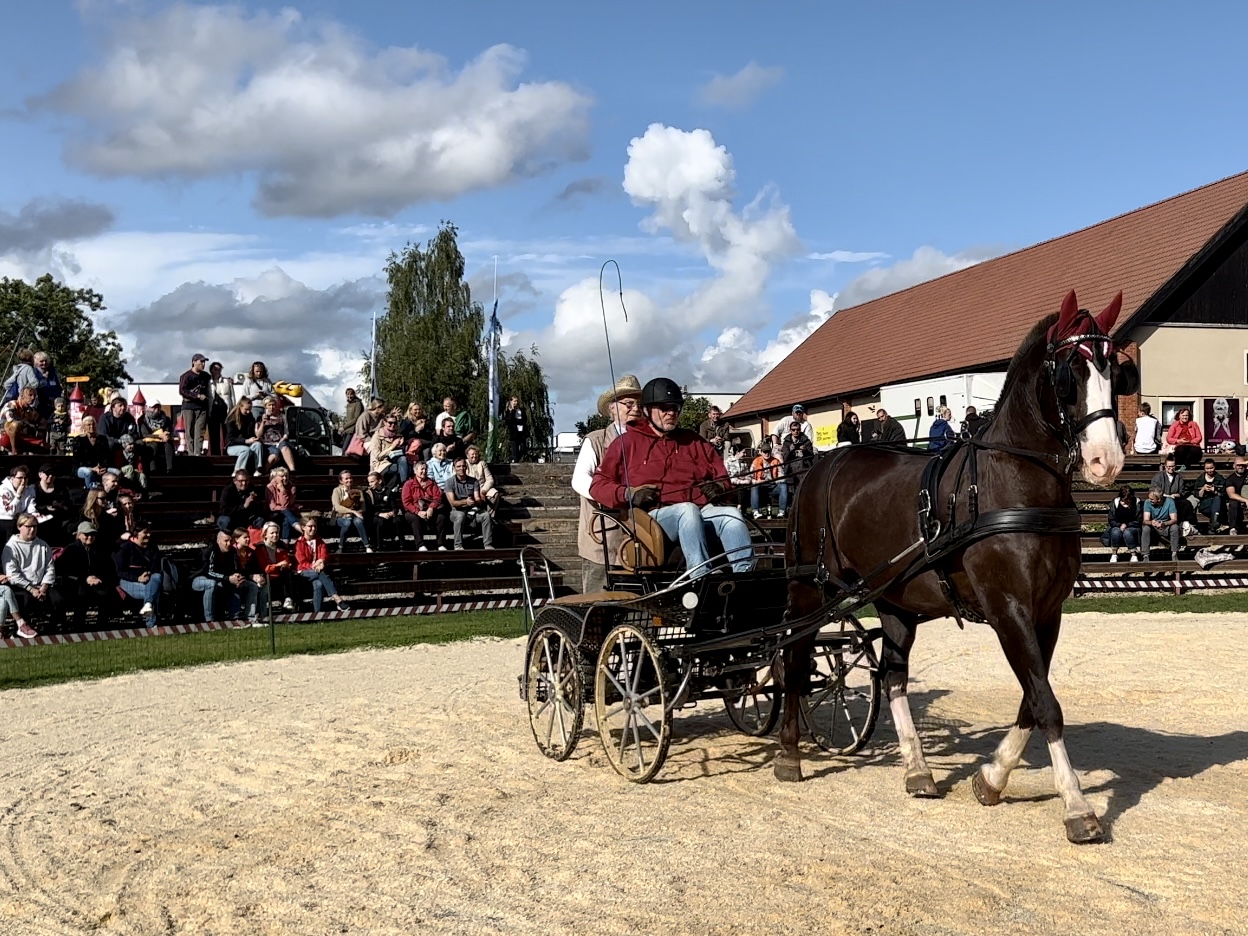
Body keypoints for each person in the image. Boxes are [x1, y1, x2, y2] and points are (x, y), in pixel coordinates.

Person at [590, 377, 753, 579]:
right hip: (653, 520)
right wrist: (629, 494)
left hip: (701, 512)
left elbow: (723, 478)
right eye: (665, 408)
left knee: (733, 517)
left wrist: (719, 487)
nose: (671, 413)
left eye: (676, 408)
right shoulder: (626, 443)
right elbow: (598, 485)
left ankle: (745, 580)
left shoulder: (694, 442)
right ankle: (700, 577)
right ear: (648, 410)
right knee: (688, 510)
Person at [572, 375, 642, 593]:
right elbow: (580, 480)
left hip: (641, 540)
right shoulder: (595, 440)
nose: (635, 409)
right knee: (597, 608)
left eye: (639, 405)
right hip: (602, 540)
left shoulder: (649, 442)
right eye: (629, 404)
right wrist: (616, 494)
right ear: (612, 408)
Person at [3, 512, 62, 631]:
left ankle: (52, 629)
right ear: (20, 527)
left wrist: (44, 587)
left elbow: (50, 568)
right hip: (22, 587)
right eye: (28, 527)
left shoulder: (43, 545)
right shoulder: (11, 547)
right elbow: (12, 575)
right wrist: (31, 589)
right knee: (25, 601)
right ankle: (21, 630)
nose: (32, 530)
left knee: (59, 599)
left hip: (41, 586)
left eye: (34, 526)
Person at [55, 521, 118, 631]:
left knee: (107, 592)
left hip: (96, 582)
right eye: (86, 534)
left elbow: (108, 568)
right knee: (82, 593)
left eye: (92, 534)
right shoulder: (71, 549)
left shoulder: (99, 550)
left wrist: (98, 578)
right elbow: (64, 571)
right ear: (79, 535)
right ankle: (78, 625)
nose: (90, 537)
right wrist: (84, 579)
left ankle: (102, 624)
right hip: (75, 584)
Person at [192, 529, 250, 623]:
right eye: (226, 541)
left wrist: (237, 576)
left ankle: (235, 618)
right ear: (218, 541)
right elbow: (208, 572)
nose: (229, 544)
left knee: (239, 583)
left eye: (230, 541)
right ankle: (210, 620)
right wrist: (227, 578)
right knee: (211, 583)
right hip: (198, 578)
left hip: (219, 578)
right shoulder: (210, 552)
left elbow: (235, 569)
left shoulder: (233, 552)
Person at [294, 517, 349, 612]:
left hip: (318, 571)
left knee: (318, 584)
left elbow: (324, 554)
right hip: (303, 572)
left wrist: (322, 561)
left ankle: (317, 614)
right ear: (303, 527)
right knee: (320, 573)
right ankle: (338, 600)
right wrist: (315, 566)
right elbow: (302, 562)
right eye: (310, 526)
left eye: (315, 526)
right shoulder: (299, 543)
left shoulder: (319, 540)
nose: (313, 529)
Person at [114, 524, 162, 627]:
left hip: (149, 580)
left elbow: (155, 566)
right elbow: (120, 571)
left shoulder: (153, 547)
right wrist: (137, 578)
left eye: (149, 532)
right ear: (136, 534)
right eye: (145, 532)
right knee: (151, 592)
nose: (148, 535)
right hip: (128, 580)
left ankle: (149, 610)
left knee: (156, 577)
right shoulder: (125, 548)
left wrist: (148, 574)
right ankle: (152, 624)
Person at [444, 457, 494, 550]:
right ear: (454, 468)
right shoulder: (449, 482)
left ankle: (488, 545)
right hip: (456, 511)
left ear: (466, 467)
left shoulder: (474, 481)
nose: (461, 468)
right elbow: (452, 503)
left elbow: (478, 499)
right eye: (458, 466)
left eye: (463, 466)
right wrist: (465, 502)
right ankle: (458, 545)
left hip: (472, 510)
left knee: (486, 515)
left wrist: (475, 501)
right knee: (460, 515)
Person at [402, 460, 448, 551]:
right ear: (415, 471)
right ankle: (420, 545)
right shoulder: (408, 484)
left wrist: (431, 508)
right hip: (414, 510)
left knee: (441, 517)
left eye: (426, 469)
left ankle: (440, 544)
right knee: (414, 519)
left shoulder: (432, 483)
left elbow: (437, 498)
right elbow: (406, 502)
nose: (424, 471)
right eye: (422, 469)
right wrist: (418, 512)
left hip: (430, 509)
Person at [255, 521, 295, 612]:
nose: (275, 535)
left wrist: (285, 565)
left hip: (279, 576)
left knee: (288, 574)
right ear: (265, 534)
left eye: (276, 533)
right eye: (272, 533)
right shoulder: (260, 548)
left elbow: (286, 561)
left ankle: (288, 601)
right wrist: (277, 566)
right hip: (266, 576)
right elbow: (264, 567)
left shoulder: (282, 546)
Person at [178, 353, 212, 455]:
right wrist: (197, 396)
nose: (203, 364)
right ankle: (191, 454)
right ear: (194, 362)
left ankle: (198, 454)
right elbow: (182, 391)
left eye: (204, 362)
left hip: (202, 408)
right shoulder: (186, 376)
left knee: (200, 432)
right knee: (190, 432)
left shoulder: (206, 376)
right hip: (189, 408)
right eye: (201, 361)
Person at [253, 397, 298, 473]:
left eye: (273, 405)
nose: (271, 407)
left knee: (284, 447)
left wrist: (281, 440)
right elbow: (258, 435)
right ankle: (264, 471)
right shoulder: (260, 418)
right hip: (266, 443)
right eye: (269, 405)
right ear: (266, 406)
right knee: (275, 455)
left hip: (280, 440)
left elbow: (286, 432)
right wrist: (263, 423)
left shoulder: (282, 417)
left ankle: (292, 470)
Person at [331, 469, 371, 553]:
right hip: (341, 516)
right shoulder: (337, 491)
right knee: (347, 523)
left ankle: (367, 546)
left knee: (359, 522)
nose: (349, 480)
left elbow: (363, 507)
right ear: (341, 481)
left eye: (350, 478)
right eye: (346, 479)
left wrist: (356, 513)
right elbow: (337, 507)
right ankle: (340, 547)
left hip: (356, 516)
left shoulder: (358, 491)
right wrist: (353, 512)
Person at [33, 463, 73, 547]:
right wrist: (45, 508)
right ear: (40, 474)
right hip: (40, 521)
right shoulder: (34, 488)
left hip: (58, 520)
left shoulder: (61, 489)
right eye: (47, 473)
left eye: (53, 474)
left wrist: (60, 506)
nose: (50, 476)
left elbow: (69, 506)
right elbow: (31, 505)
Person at [1100, 485, 1143, 562]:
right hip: (1117, 526)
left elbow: (1139, 520)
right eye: (1124, 499)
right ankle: (1114, 554)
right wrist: (1119, 525)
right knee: (1115, 531)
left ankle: (1133, 555)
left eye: (1129, 499)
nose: (1127, 501)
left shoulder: (1137, 503)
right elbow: (1111, 519)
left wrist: (1128, 525)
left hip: (1133, 527)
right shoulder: (1115, 503)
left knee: (1128, 532)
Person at [233, 527, 267, 625]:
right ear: (236, 539)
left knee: (263, 585)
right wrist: (250, 576)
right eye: (245, 537)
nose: (248, 539)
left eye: (248, 537)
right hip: (234, 579)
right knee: (252, 587)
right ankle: (250, 617)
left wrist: (257, 576)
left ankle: (262, 616)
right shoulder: (232, 552)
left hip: (246, 578)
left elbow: (254, 569)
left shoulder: (251, 552)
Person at [364, 470, 403, 551]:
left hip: (389, 513)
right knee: (379, 521)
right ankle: (379, 545)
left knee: (398, 520)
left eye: (372, 481)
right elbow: (369, 509)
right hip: (376, 515)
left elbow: (395, 506)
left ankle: (401, 544)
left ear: (379, 481)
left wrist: (392, 512)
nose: (370, 484)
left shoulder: (388, 492)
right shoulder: (369, 493)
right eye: (369, 482)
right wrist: (380, 514)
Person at [0, 386, 46, 454]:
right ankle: (14, 452)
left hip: (21, 438)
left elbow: (43, 422)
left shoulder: (30, 411)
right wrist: (29, 425)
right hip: (5, 437)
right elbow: (11, 420)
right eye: (30, 395)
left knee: (43, 446)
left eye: (34, 395)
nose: (33, 398)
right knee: (14, 425)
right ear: (22, 396)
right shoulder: (11, 405)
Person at [1140, 486, 1180, 562]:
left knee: (1175, 527)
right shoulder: (1147, 502)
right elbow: (1145, 520)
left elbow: (1174, 519)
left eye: (1152, 499)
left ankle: (1174, 553)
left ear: (1159, 499)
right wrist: (1152, 522)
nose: (1150, 500)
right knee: (1145, 528)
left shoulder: (1170, 502)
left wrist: (1165, 523)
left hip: (1166, 525)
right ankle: (1145, 555)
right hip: (1153, 527)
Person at [369, 411, 410, 485]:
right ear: (385, 422)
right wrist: (392, 447)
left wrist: (401, 443)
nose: (393, 425)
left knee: (405, 462)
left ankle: (404, 485)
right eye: (390, 423)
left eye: (395, 423)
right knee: (401, 468)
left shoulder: (398, 434)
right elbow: (377, 456)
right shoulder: (377, 436)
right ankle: (404, 486)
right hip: (381, 464)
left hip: (396, 461)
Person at [73, 415, 113, 490]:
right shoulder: (78, 440)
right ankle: (92, 492)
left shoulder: (102, 439)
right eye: (88, 425)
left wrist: (104, 467)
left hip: (100, 467)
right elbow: (78, 459)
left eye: (93, 424)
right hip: (82, 468)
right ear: (84, 426)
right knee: (88, 472)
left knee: (116, 472)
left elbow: (107, 456)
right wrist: (92, 468)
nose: (91, 427)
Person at [749, 440, 786, 518]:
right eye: (764, 452)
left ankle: (781, 512)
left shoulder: (776, 461)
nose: (766, 454)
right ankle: (755, 511)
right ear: (761, 452)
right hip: (760, 487)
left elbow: (782, 477)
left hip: (773, 486)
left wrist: (775, 481)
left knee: (783, 486)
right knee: (754, 486)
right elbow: (750, 477)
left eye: (768, 451)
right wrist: (757, 481)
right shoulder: (756, 462)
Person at [0, 465, 36, 542]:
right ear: (12, 478)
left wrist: (34, 513)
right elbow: (10, 512)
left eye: (25, 478)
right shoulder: (3, 490)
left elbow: (30, 504)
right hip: (5, 520)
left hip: (20, 518)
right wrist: (18, 495)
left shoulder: (28, 489)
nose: (23, 481)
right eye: (20, 478)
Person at [138, 400, 175, 475]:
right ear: (148, 408)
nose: (156, 410)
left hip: (162, 440)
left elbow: (168, 430)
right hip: (149, 440)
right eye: (153, 408)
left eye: (158, 407)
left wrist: (166, 434)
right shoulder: (142, 420)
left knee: (169, 444)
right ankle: (152, 470)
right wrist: (158, 436)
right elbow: (145, 434)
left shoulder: (166, 419)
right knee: (153, 445)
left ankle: (170, 469)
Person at [265, 466, 302, 540]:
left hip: (289, 512)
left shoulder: (292, 487)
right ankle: (297, 526)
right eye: (282, 476)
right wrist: (282, 490)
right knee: (286, 512)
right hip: (274, 513)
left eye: (286, 476)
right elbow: (272, 507)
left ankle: (285, 544)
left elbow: (287, 504)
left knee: (286, 519)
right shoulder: (270, 487)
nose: (285, 478)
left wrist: (282, 490)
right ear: (275, 477)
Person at [1190, 457, 1225, 534]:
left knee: (1217, 498)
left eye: (1211, 468)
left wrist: (1215, 491)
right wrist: (1203, 489)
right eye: (1207, 468)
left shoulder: (1220, 478)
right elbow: (1197, 494)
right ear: (1204, 468)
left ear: (1214, 467)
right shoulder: (1200, 479)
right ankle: (1213, 525)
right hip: (1206, 505)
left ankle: (1212, 526)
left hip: (1218, 506)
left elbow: (1224, 494)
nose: (1209, 470)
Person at [207, 361, 235, 456]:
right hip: (213, 410)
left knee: (227, 432)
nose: (218, 371)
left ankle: (227, 452)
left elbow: (232, 397)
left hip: (225, 410)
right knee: (214, 433)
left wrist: (233, 410)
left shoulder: (227, 381)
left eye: (219, 369)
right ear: (211, 370)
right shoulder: (208, 382)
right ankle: (215, 454)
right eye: (215, 369)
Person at [224, 396, 259, 473]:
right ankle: (238, 471)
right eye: (246, 409)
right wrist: (245, 441)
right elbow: (230, 439)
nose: (248, 412)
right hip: (232, 446)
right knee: (245, 450)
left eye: (250, 409)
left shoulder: (250, 418)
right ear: (240, 407)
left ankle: (258, 469)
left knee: (257, 445)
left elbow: (251, 434)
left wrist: (255, 438)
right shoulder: (231, 419)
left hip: (247, 444)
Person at [31, 352, 62, 420]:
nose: (44, 363)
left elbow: (57, 387)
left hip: (54, 404)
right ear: (36, 362)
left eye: (45, 361)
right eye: (41, 361)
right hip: (40, 405)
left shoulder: (52, 372)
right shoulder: (33, 373)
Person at [1224, 457, 1248, 535]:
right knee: (1233, 503)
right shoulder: (1230, 479)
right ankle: (1233, 528)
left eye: (1242, 465)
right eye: (1238, 465)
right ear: (1234, 466)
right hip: (1240, 501)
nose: (1240, 467)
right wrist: (1245, 500)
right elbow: (1231, 494)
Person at [504, 395, 529, 462]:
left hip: (522, 432)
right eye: (514, 401)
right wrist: (512, 410)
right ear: (511, 402)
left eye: (517, 401)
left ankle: (516, 458)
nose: (516, 402)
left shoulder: (522, 410)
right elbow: (509, 421)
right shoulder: (509, 411)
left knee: (523, 447)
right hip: (514, 432)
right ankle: (515, 460)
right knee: (515, 449)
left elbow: (524, 420)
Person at [341, 388, 364, 452]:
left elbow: (356, 418)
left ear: (354, 395)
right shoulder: (348, 405)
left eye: (351, 394)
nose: (349, 396)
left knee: (345, 449)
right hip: (347, 430)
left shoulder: (358, 404)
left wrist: (344, 427)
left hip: (353, 430)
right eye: (348, 394)